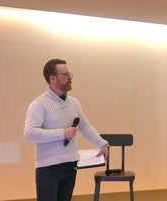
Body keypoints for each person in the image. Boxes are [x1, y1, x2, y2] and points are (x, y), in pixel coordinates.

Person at [24, 59, 109, 201]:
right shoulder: (39, 104)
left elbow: (85, 127)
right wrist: (62, 133)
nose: (70, 78)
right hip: (48, 169)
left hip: (70, 166)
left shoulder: (74, 103)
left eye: (70, 74)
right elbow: (30, 133)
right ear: (52, 78)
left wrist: (103, 144)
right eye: (65, 75)